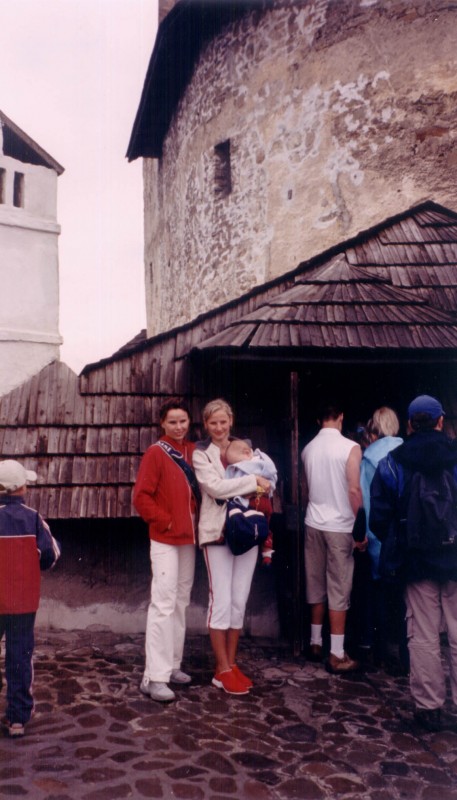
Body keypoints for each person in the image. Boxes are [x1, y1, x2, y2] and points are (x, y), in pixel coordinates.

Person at [370, 395, 457, 732]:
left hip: (416, 562)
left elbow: (379, 518)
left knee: (422, 634)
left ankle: (428, 707)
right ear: (440, 422)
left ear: (409, 425)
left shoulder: (392, 463)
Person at [192, 399, 271, 695]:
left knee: (239, 600)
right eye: (213, 423)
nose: (219, 428)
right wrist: (253, 481)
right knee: (221, 601)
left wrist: (260, 483)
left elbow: (269, 483)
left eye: (223, 421)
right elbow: (214, 487)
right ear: (205, 425)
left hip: (247, 531)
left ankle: (231, 664)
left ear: (231, 421)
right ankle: (221, 668)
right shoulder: (202, 454)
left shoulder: (247, 450)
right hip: (218, 533)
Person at [133, 398, 200, 703]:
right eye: (172, 421)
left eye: (182, 420)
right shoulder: (156, 453)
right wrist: (167, 521)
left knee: (180, 601)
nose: (178, 426)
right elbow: (142, 497)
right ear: (162, 423)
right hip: (165, 538)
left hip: (189, 539)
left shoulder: (194, 451)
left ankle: (172, 665)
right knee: (163, 603)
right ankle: (154, 677)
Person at [301, 401, 365, 673]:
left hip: (313, 522)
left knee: (315, 581)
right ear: (341, 417)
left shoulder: (308, 449)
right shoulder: (351, 447)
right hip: (340, 525)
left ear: (318, 421)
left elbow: (306, 488)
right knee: (339, 587)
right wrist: (360, 530)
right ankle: (337, 654)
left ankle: (315, 642)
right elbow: (354, 490)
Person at [0, 459, 60, 738]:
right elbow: (50, 555)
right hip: (22, 602)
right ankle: (17, 719)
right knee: (20, 657)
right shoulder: (33, 518)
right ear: (22, 488)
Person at [357, 407, 405, 668]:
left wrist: (365, 535)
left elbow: (366, 501)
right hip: (405, 533)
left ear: (374, 429)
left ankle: (380, 651)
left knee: (378, 591)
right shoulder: (406, 451)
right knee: (404, 593)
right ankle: (403, 652)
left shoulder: (369, 458)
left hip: (381, 534)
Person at [225, 438, 278, 565]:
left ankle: (261, 545)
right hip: (265, 501)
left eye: (239, 463)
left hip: (252, 503)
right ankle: (267, 551)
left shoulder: (247, 465)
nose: (238, 466)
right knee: (266, 523)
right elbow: (272, 480)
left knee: (249, 521)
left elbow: (233, 486)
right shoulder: (264, 463)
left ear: (247, 453)